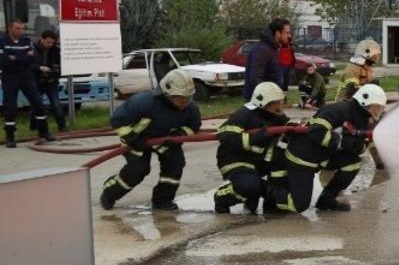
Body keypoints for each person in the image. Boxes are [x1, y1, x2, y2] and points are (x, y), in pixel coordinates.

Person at [266, 83, 386, 214]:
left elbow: (359, 147)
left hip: (323, 157)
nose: (378, 111)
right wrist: (341, 142)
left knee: (353, 162)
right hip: (303, 158)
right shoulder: (338, 110)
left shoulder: (362, 119)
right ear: (365, 102)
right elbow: (316, 132)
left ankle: (326, 199)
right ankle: (262, 189)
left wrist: (357, 145)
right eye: (377, 107)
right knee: (298, 205)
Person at [100, 69, 201, 211]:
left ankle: (162, 201)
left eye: (188, 97)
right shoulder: (143, 102)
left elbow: (194, 127)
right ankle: (110, 193)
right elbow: (117, 121)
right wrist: (132, 138)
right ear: (167, 93)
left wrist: (179, 135)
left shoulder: (191, 108)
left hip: (166, 142)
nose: (184, 102)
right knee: (138, 170)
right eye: (180, 97)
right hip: (136, 140)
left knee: (175, 165)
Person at [213, 81, 290, 215]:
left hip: (257, 162)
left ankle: (268, 201)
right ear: (262, 103)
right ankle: (222, 197)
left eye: (280, 102)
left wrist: (292, 127)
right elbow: (225, 135)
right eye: (275, 104)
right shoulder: (244, 114)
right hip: (235, 160)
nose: (279, 107)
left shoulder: (276, 116)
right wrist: (256, 138)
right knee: (248, 187)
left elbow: (286, 123)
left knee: (283, 164)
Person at [2, 18, 55, 148]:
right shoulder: (2, 41)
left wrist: (15, 57)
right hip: (10, 77)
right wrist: (23, 57)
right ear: (10, 28)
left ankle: (44, 133)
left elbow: (33, 59)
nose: (21, 31)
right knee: (10, 107)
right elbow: (3, 60)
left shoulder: (26, 41)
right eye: (18, 28)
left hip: (27, 76)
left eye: (23, 28)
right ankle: (10, 137)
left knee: (38, 103)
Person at [242, 18, 291, 101]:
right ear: (277, 33)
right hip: (260, 102)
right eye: (287, 33)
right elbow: (255, 78)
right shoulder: (262, 50)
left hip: (272, 101)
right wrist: (268, 98)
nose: (289, 36)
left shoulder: (274, 49)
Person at [34, 30, 66, 131]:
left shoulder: (56, 50)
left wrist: (54, 76)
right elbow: (29, 65)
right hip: (36, 81)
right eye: (48, 42)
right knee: (36, 104)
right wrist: (39, 68)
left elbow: (59, 67)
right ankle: (34, 126)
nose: (50, 45)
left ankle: (62, 126)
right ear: (41, 39)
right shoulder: (33, 49)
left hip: (51, 82)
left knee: (55, 103)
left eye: (52, 43)